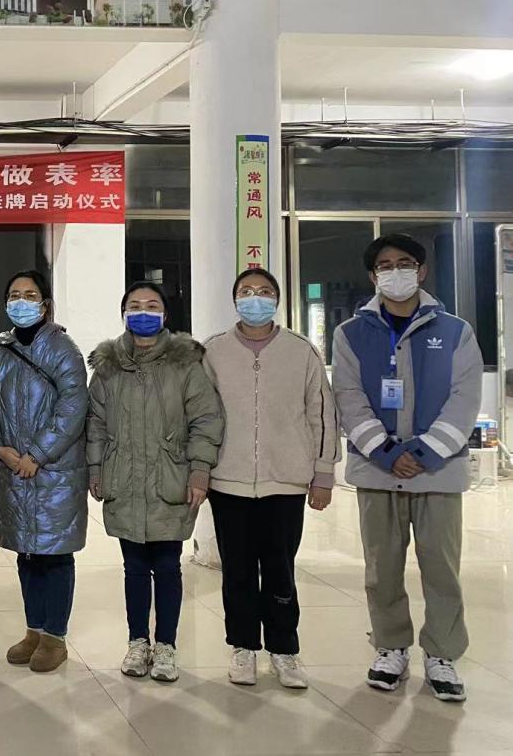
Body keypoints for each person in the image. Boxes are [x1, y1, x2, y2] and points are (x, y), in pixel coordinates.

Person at [332, 233, 482, 703]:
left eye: (404, 263)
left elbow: (465, 399)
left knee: (441, 567)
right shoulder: (350, 334)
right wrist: (385, 451)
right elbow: (348, 397)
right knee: (382, 568)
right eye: (384, 265)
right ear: (372, 276)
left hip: (438, 473)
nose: (394, 271)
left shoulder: (456, 331)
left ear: (421, 271)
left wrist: (423, 453)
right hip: (378, 472)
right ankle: (390, 647)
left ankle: (442, 653)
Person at [203, 268, 340, 690]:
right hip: (228, 481)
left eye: (264, 291)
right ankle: (243, 646)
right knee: (237, 570)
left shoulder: (301, 351)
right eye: (246, 291)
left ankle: (284, 648)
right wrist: (200, 469)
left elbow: (322, 414)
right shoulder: (213, 351)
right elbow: (201, 416)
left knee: (280, 569)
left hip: (286, 482)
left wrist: (323, 473)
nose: (255, 298)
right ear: (235, 300)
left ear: (277, 300)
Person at [87, 282, 223, 684]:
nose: (142, 312)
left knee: (166, 566)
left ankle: (166, 645)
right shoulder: (109, 366)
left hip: (170, 479)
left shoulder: (186, 364)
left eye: (151, 305)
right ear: (123, 314)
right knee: (133, 568)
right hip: (124, 480)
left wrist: (199, 470)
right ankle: (137, 641)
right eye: (134, 305)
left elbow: (206, 419)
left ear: (165, 314)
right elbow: (95, 422)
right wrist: (95, 468)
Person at [0, 270, 88, 674]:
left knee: (56, 554)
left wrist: (37, 454)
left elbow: (73, 408)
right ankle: (33, 630)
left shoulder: (64, 350)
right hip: (13, 470)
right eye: (14, 295)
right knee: (27, 553)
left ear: (45, 305)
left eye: (30, 295)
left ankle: (55, 637)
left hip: (55, 472)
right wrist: (0, 448)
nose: (21, 301)